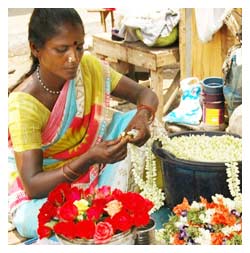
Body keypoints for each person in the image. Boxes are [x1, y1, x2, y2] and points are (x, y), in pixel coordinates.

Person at [8, 8, 158, 239]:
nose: (73, 58)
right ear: (35, 48)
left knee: (149, 128)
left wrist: (142, 116)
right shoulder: (23, 104)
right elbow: (33, 185)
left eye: (78, 47)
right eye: (62, 49)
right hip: (49, 185)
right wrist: (89, 158)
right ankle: (107, 205)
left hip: (94, 162)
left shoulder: (88, 68)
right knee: (35, 221)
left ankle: (104, 205)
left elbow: (144, 95)